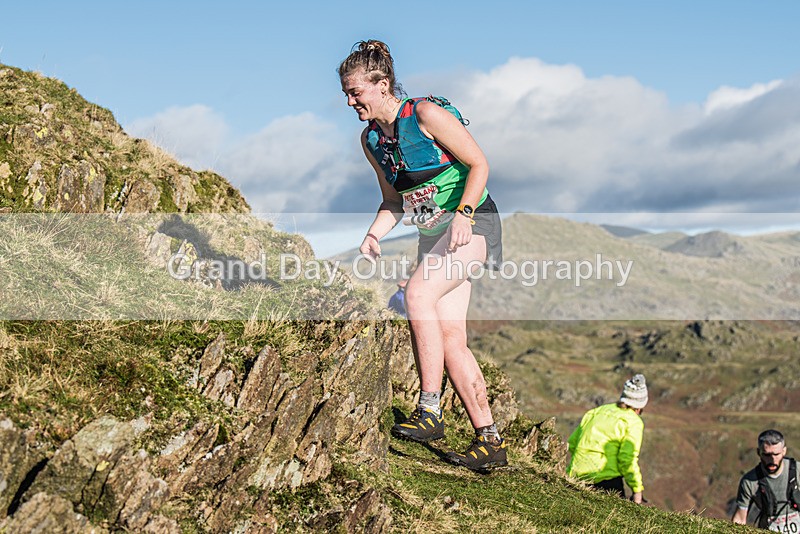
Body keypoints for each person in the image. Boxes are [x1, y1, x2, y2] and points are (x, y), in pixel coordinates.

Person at [338, 40, 506, 472]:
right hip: (432, 237)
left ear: (382, 84)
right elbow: (394, 200)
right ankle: (489, 439)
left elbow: (480, 164)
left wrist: (464, 214)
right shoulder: (371, 140)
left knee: (416, 296)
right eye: (346, 93)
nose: (350, 100)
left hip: (474, 225)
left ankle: (429, 409)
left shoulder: (426, 115)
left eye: (356, 91)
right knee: (451, 341)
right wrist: (374, 234)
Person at [567, 374, 648, 503]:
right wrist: (637, 490)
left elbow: (572, 443)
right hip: (606, 481)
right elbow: (627, 459)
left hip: (576, 477)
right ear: (639, 406)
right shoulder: (633, 422)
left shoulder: (596, 412)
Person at [732, 429, 800, 530]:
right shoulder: (749, 482)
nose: (772, 460)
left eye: (776, 454)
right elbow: (739, 520)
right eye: (767, 455)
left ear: (784, 451)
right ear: (758, 452)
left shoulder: (798, 471)